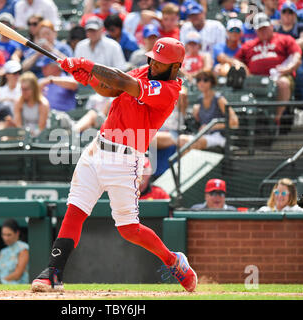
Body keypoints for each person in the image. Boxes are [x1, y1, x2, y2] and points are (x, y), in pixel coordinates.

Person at [30, 37, 198, 293]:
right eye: (152, 57)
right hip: (97, 148)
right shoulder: (145, 69)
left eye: (160, 62)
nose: (153, 63)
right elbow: (110, 89)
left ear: (175, 67)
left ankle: (172, 260)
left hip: (125, 159)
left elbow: (122, 81)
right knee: (75, 210)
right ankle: (53, 273)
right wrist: (86, 77)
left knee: (129, 229)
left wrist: (88, 64)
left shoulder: (169, 91)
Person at [234, 12, 302, 129]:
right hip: (254, 80)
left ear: (271, 26)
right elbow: (235, 61)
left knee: (283, 83)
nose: (263, 31)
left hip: (279, 76)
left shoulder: (284, 39)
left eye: (265, 28)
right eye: (260, 29)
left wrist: (289, 68)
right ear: (255, 31)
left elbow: (297, 55)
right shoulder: (248, 45)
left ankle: (276, 119)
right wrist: (244, 69)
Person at [177, 71, 239, 152]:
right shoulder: (200, 99)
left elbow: (235, 122)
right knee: (180, 140)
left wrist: (211, 126)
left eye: (205, 80)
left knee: (183, 140)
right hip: (205, 136)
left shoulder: (219, 99)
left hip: (219, 136)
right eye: (199, 80)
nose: (201, 83)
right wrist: (196, 114)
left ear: (212, 82)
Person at [274, 1, 303, 114]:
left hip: (300, 60)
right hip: (281, 61)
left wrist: (287, 46)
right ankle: (282, 112)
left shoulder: (301, 26)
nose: (287, 14)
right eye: (284, 12)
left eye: (290, 12)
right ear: (280, 14)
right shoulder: (277, 30)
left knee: (300, 72)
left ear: (295, 14)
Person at [0, 218, 29, 284]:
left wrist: (0, 281)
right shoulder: (2, 252)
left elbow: (18, 274)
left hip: (17, 288)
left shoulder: (23, 248)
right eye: (3, 234)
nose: (5, 238)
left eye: (9, 235)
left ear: (17, 233)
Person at [13, 71, 49, 136]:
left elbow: (41, 128)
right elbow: (18, 126)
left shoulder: (43, 104)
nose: (23, 92)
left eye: (26, 89)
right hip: (23, 136)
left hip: (40, 137)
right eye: (21, 89)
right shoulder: (18, 102)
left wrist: (29, 135)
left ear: (34, 89)